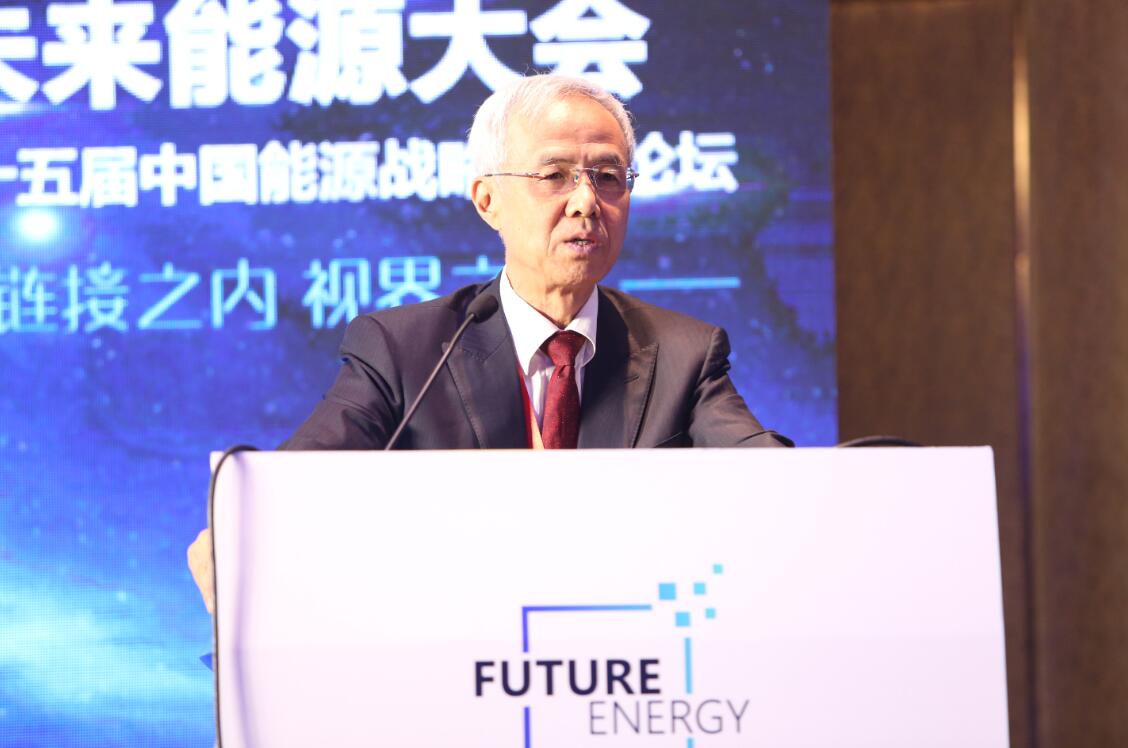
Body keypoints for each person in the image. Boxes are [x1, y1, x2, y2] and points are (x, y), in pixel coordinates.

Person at [187, 74, 791, 612]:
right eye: (554, 176)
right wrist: (239, 542)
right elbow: (292, 494)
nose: (586, 202)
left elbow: (777, 484)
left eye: (608, 177)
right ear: (487, 200)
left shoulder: (685, 354)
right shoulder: (405, 351)